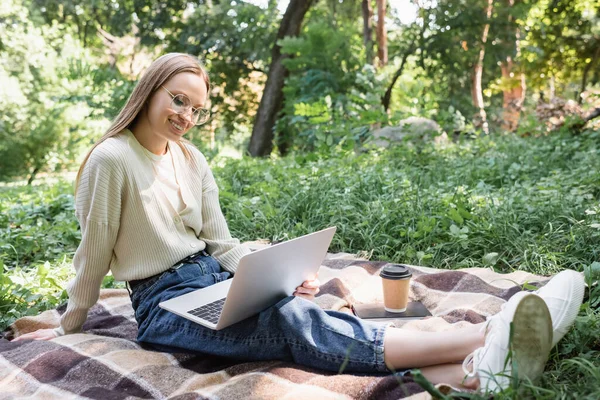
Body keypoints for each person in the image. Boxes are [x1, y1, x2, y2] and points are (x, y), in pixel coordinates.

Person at [13, 53, 585, 394]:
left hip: (210, 280)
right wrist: (71, 321)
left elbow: (220, 242)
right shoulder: (112, 159)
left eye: (196, 109)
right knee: (291, 322)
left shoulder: (192, 159)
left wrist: (274, 272)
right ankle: (491, 336)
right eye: (178, 100)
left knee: (291, 305)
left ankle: (481, 375)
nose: (186, 116)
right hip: (162, 305)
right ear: (150, 90)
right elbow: (91, 254)